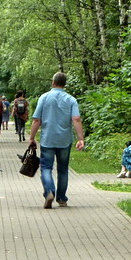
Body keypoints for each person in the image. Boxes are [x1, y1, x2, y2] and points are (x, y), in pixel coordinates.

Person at [29, 73, 84, 209]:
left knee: (46, 168)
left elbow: (37, 120)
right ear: (64, 84)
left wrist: (31, 138)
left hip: (48, 138)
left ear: (53, 82)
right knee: (63, 169)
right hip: (64, 140)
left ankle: (49, 192)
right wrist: (80, 138)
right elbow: (76, 119)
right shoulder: (71, 99)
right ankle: (61, 198)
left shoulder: (44, 97)